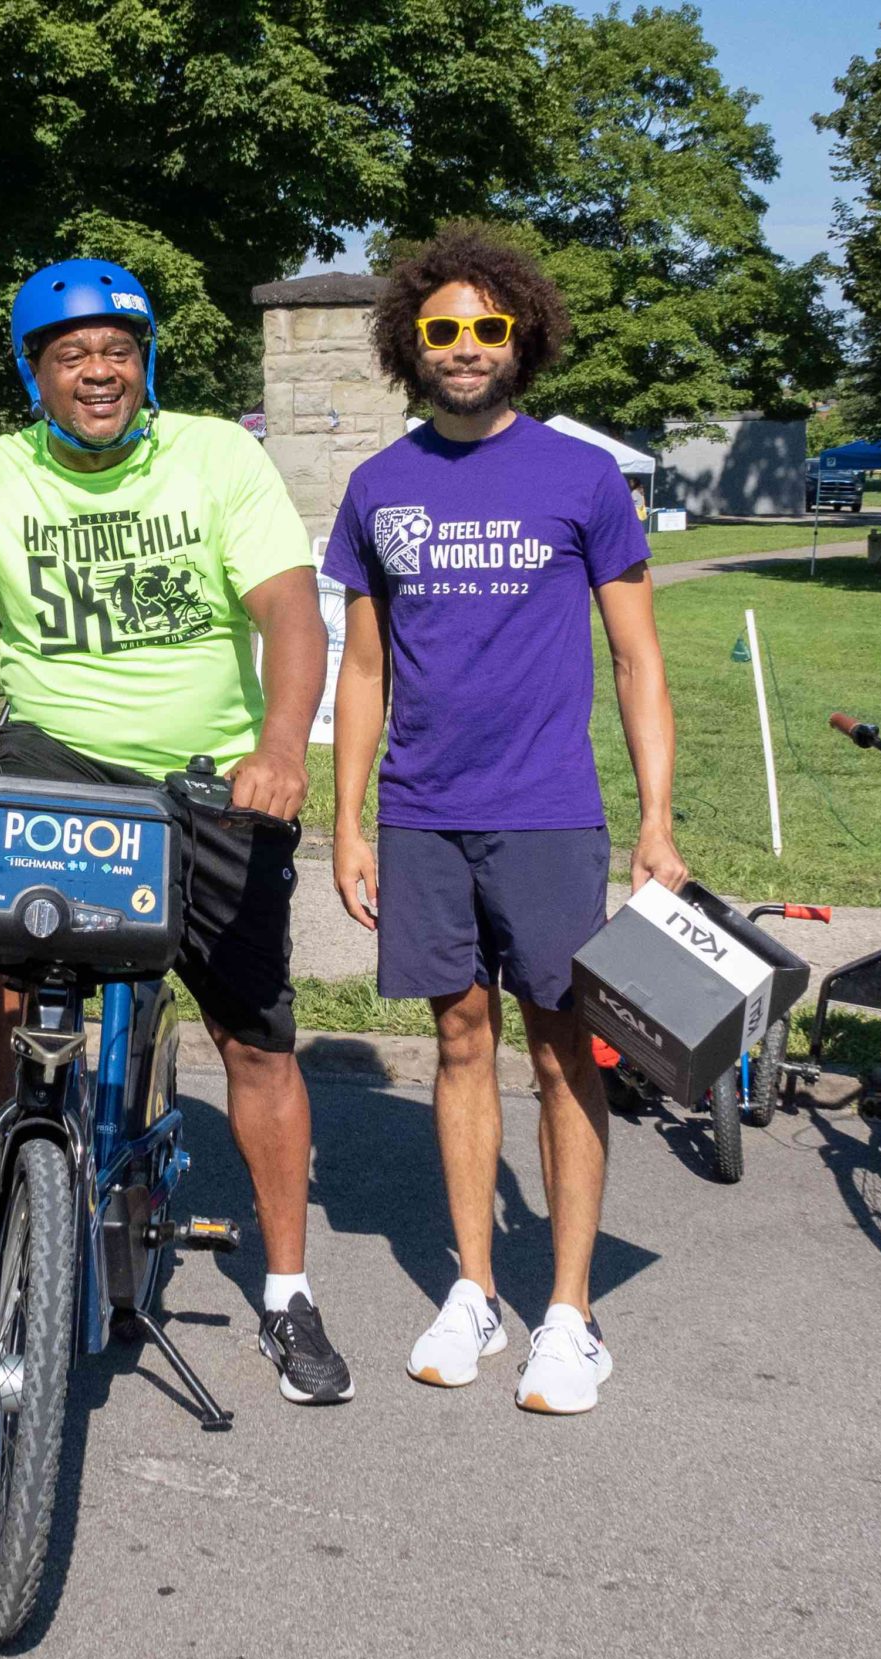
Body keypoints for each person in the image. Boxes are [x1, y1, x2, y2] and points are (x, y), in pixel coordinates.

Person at [0, 259, 354, 1407]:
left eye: (117, 347)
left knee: (256, 1038)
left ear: (145, 359)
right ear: (36, 373)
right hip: (57, 755)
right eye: (71, 353)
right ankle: (17, 1115)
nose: (98, 368)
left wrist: (279, 746)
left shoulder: (216, 454)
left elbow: (282, 603)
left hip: (211, 775)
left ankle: (286, 1289)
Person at [323, 228, 686, 1417]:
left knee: (560, 1046)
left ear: (520, 334)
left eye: (487, 326)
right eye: (442, 328)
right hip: (424, 815)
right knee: (459, 1040)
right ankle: (475, 1287)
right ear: (408, 344)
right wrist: (350, 820)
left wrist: (656, 825)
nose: (466, 346)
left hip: (546, 815)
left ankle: (571, 1313)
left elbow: (638, 661)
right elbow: (364, 671)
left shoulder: (580, 477)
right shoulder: (379, 485)